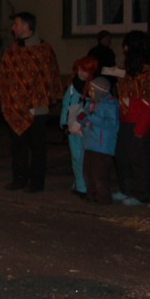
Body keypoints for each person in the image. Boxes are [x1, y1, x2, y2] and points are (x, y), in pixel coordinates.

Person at [0, 11, 61, 193]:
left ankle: (36, 182)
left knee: (37, 147)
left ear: (26, 25)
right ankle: (19, 178)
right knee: (17, 146)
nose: (12, 28)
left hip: (37, 109)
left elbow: (49, 77)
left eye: (16, 24)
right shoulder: (12, 51)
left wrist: (36, 101)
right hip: (15, 109)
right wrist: (8, 99)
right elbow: (3, 76)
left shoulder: (43, 50)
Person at [112, 31, 150, 207]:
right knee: (122, 154)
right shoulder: (135, 67)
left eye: (127, 46)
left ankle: (141, 194)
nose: (124, 50)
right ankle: (126, 189)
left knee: (139, 156)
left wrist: (143, 123)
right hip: (126, 117)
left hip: (141, 118)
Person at [61, 56, 100, 198]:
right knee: (77, 157)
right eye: (80, 70)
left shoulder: (92, 87)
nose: (81, 73)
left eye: (85, 71)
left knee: (81, 157)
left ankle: (82, 186)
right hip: (73, 125)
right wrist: (64, 123)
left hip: (84, 126)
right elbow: (66, 104)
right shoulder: (73, 85)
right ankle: (80, 183)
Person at [80, 76, 119, 204]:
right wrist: (82, 119)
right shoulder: (91, 103)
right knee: (88, 171)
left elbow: (111, 124)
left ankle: (103, 198)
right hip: (90, 143)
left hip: (102, 146)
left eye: (91, 90)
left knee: (99, 174)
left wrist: (91, 117)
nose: (89, 92)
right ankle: (91, 195)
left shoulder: (110, 104)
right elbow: (84, 116)